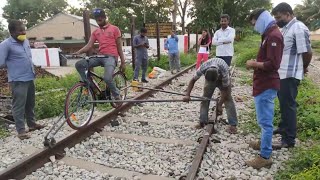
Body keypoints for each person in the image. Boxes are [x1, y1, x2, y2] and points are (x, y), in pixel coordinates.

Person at [245, 9, 284, 169]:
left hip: (267, 84)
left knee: (266, 123)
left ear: (261, 19)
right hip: (263, 83)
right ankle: (262, 144)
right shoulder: (269, 34)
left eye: (255, 23)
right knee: (263, 120)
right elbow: (267, 60)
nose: (255, 27)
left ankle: (265, 156)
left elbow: (273, 64)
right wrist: (257, 62)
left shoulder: (274, 36)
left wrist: (255, 64)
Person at [271, 3, 313, 148]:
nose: (277, 20)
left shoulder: (299, 28)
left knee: (289, 105)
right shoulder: (285, 28)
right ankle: (283, 128)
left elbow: (307, 52)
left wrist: (304, 67)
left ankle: (289, 140)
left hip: (290, 74)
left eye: (279, 17)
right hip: (282, 73)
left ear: (287, 14)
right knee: (283, 103)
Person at [0, 20, 45, 140]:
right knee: (18, 105)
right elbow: (1, 63)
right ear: (12, 32)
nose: (24, 32)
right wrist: (14, 66)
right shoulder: (5, 44)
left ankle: (32, 124)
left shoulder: (25, 41)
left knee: (30, 103)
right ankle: (21, 131)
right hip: (18, 79)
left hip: (30, 76)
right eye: (20, 30)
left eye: (24, 29)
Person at [74, 8, 125, 100]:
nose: (99, 19)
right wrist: (78, 52)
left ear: (105, 17)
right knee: (79, 64)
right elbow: (89, 45)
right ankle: (92, 87)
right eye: (97, 18)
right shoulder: (96, 32)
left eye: (101, 17)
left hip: (111, 57)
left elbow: (119, 47)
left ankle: (117, 95)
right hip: (99, 57)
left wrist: (123, 62)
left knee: (107, 78)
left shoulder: (115, 29)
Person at [183, 58, 238, 133]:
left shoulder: (224, 72)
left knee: (228, 99)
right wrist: (187, 94)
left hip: (222, 77)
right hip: (211, 77)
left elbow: (226, 90)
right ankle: (202, 121)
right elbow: (193, 80)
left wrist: (220, 104)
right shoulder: (203, 67)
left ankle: (233, 125)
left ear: (218, 75)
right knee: (205, 99)